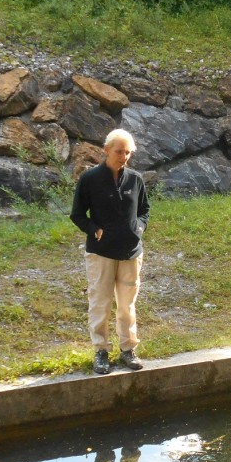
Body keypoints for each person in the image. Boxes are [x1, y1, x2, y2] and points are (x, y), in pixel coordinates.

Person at [70, 128, 150, 374]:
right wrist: (94, 230)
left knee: (127, 305)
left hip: (131, 253)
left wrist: (138, 227)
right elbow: (77, 214)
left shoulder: (135, 179)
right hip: (101, 254)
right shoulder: (90, 179)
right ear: (106, 151)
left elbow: (144, 210)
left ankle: (128, 350)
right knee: (100, 303)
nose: (124, 156)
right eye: (119, 151)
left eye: (128, 152)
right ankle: (101, 351)